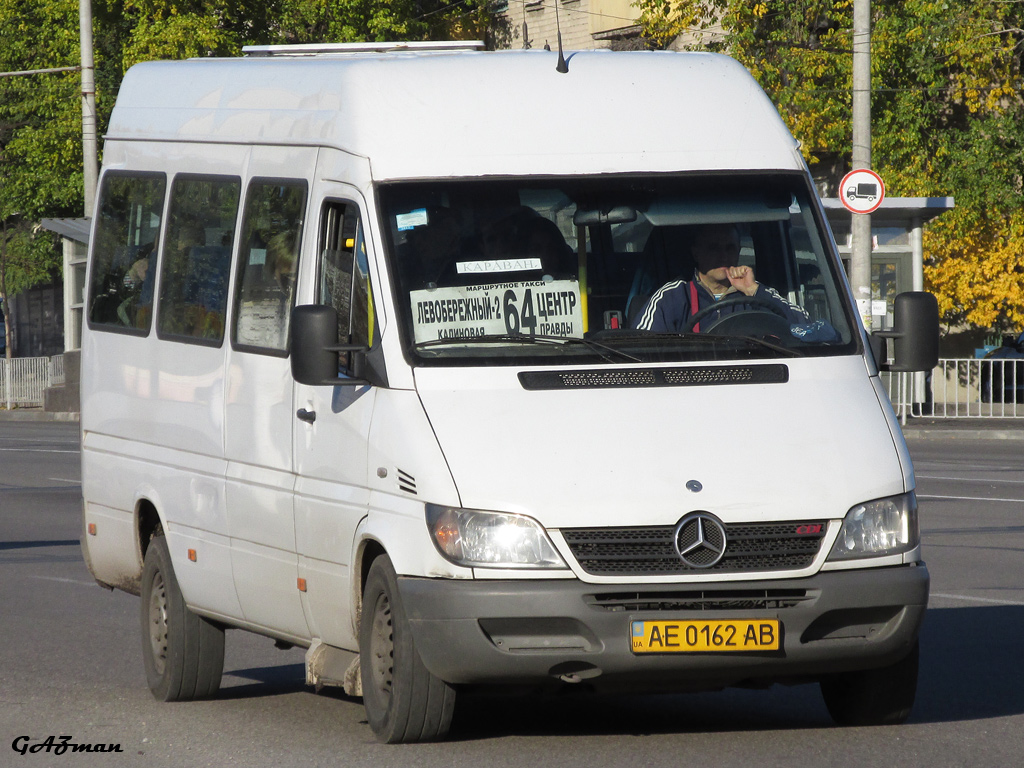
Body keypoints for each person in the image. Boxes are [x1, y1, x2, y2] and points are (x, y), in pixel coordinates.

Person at [632, 222, 809, 333]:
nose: (723, 255)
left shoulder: (757, 294)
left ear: (739, 251)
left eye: (730, 248)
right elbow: (642, 348)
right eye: (713, 248)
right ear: (696, 252)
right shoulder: (673, 296)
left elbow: (806, 325)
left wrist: (754, 290)